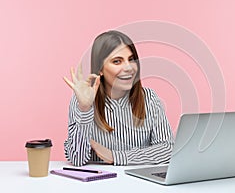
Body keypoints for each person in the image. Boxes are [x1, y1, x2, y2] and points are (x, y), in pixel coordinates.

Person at [63, 30, 174, 166]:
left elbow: (168, 149)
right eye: (117, 61)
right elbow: (77, 159)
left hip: (141, 184)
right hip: (98, 184)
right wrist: (85, 109)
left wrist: (116, 156)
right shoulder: (82, 100)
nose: (128, 68)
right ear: (100, 69)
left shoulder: (149, 98)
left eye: (131, 59)